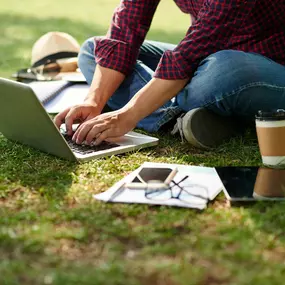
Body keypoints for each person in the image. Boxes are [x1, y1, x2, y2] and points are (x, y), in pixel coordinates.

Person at [54, 0, 285, 149]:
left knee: (220, 72)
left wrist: (127, 114)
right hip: (206, 57)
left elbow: (191, 54)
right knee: (93, 51)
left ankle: (192, 109)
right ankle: (178, 120)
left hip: (267, 64)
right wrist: (94, 101)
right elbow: (125, 30)